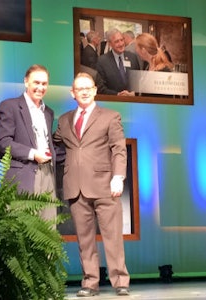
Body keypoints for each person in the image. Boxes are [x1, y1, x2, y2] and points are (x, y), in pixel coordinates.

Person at [53, 72, 130, 297]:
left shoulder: (110, 116)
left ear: (95, 90)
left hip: (105, 185)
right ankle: (90, 282)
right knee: (84, 240)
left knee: (113, 237)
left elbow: (118, 148)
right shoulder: (65, 120)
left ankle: (120, 280)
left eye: (88, 88)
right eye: (80, 88)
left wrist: (118, 176)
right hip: (76, 187)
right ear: (72, 93)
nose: (85, 91)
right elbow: (55, 142)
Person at [0, 64, 57, 221]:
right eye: (36, 82)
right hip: (23, 176)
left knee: (47, 231)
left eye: (44, 84)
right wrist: (33, 154)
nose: (40, 87)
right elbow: (3, 142)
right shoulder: (10, 106)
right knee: (22, 232)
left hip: (47, 174)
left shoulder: (48, 112)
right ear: (26, 82)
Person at [96, 28, 140, 96]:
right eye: (116, 41)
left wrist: (133, 93)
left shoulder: (132, 57)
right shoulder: (102, 61)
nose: (121, 44)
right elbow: (100, 87)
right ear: (110, 44)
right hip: (113, 102)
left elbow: (138, 80)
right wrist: (117, 94)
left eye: (122, 40)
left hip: (132, 101)